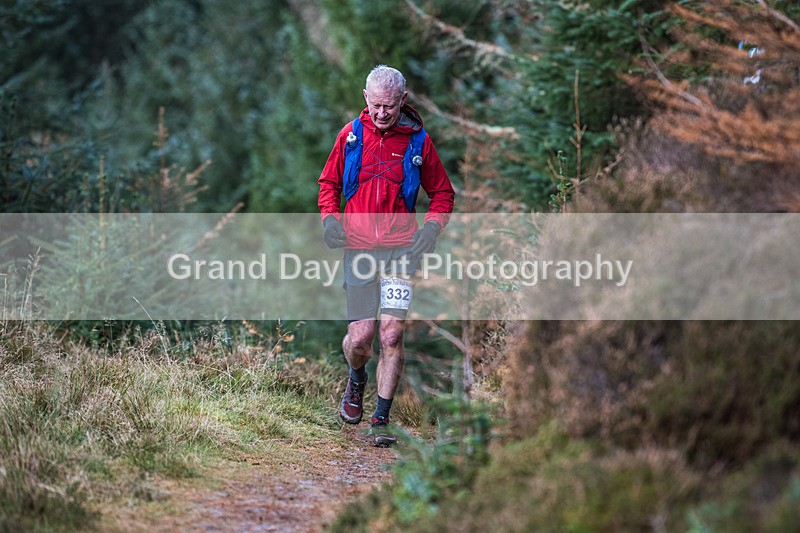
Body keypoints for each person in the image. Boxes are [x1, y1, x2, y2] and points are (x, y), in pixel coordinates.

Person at [318, 65, 455, 446]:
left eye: (389, 106)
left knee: (392, 334)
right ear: (366, 98)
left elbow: (443, 194)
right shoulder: (350, 136)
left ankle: (381, 417)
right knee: (360, 338)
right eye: (376, 105)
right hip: (359, 249)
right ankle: (357, 377)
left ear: (402, 101)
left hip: (402, 250)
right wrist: (329, 220)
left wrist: (431, 229)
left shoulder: (418, 141)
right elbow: (328, 184)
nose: (381, 113)